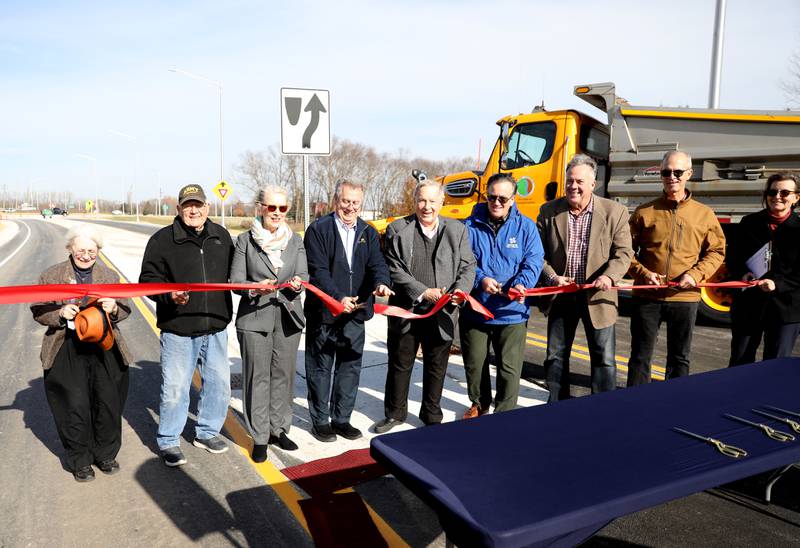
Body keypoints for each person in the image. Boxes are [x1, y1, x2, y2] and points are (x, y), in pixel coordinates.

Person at [139, 184, 234, 466]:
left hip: (215, 325)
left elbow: (236, 275)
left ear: (207, 207)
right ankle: (169, 440)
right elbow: (147, 281)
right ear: (179, 209)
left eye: (199, 205)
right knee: (176, 389)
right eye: (188, 205)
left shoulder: (221, 236)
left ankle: (206, 432)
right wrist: (170, 294)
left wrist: (256, 285)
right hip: (178, 328)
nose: (194, 210)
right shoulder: (162, 240)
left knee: (219, 385)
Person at [31, 224, 133, 482]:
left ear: (99, 250)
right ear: (70, 249)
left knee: (108, 403)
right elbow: (38, 309)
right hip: (67, 347)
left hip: (104, 346)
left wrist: (113, 309)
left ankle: (106, 454)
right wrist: (59, 313)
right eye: (81, 251)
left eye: (92, 250)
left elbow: (126, 307)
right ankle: (80, 460)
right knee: (73, 405)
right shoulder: (52, 275)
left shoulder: (109, 276)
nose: (86, 256)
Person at [372, 180, 476, 433]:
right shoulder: (398, 228)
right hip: (407, 309)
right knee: (400, 362)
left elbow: (468, 265)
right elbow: (394, 267)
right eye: (422, 200)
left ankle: (431, 413)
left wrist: (460, 291)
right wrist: (422, 292)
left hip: (442, 310)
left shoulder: (457, 230)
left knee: (437, 364)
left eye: (432, 201)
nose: (426, 207)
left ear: (442, 203)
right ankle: (395, 413)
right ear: (414, 201)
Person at [537, 154, 633, 401]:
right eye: (569, 181)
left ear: (593, 184)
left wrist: (610, 277)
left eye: (579, 181)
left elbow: (624, 253)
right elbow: (537, 254)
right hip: (562, 295)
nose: (573, 186)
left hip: (599, 295)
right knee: (556, 356)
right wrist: (551, 277)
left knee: (604, 358)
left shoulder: (615, 212)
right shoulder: (549, 212)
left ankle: (602, 409)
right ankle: (557, 406)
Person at [303, 179, 393, 442]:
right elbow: (317, 271)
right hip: (325, 314)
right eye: (345, 201)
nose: (350, 207)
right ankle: (320, 421)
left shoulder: (368, 231)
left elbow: (378, 263)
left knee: (350, 368)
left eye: (355, 202)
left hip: (356, 313)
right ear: (335, 201)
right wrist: (338, 297)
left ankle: (341, 419)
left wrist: (381, 284)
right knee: (320, 368)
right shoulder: (318, 230)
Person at [626, 151, 726, 385]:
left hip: (685, 297)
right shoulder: (644, 212)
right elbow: (623, 251)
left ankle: (676, 402)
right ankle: (632, 403)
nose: (672, 176)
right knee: (640, 357)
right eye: (666, 172)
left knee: (680, 358)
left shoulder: (704, 214)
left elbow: (717, 252)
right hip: (647, 296)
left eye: (678, 172)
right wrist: (643, 273)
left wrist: (694, 274)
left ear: (689, 174)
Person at [230, 185, 307, 462]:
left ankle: (279, 429)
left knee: (284, 377)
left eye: (282, 208)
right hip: (255, 318)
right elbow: (235, 282)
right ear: (260, 207)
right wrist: (254, 288)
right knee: (257, 378)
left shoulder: (295, 240)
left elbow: (303, 274)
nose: (276, 213)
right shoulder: (245, 241)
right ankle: (260, 436)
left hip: (288, 318)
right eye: (271, 207)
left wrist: (297, 286)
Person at [459, 173, 544, 417]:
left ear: (513, 199)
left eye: (503, 198)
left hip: (512, 311)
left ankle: (505, 412)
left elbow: (534, 260)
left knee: (509, 368)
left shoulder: (526, 227)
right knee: (475, 363)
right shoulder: (468, 226)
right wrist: (481, 279)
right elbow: (464, 261)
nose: (496, 202)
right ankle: (479, 403)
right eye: (492, 197)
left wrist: (521, 284)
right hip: (476, 308)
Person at [728, 172, 800, 365]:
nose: (777, 196)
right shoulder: (749, 223)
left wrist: (777, 283)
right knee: (739, 362)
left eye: (784, 192)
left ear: (796, 198)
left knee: (775, 366)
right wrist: (743, 274)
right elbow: (733, 259)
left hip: (786, 308)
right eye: (772, 191)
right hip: (749, 304)